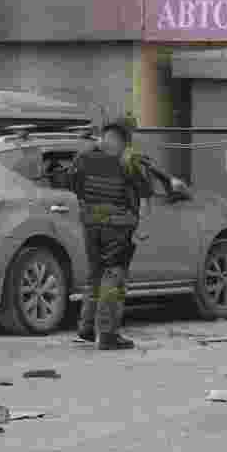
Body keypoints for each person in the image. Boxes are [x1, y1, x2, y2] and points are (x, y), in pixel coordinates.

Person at [70, 120, 153, 350]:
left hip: (91, 225)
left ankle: (87, 327)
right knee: (113, 277)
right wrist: (141, 226)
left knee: (95, 275)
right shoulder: (129, 160)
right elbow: (145, 195)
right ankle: (107, 334)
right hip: (118, 227)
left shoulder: (84, 158)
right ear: (125, 141)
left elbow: (74, 186)